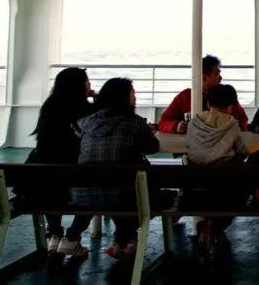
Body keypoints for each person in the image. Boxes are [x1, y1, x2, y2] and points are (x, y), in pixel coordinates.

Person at [75, 78, 163, 260]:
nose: (136, 96)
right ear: (124, 97)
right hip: (123, 196)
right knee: (145, 193)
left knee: (121, 185)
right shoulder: (133, 122)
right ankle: (127, 239)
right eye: (133, 92)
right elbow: (152, 147)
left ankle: (123, 240)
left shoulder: (86, 123)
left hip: (84, 195)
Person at [21, 67, 95, 257]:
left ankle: (54, 234)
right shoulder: (88, 109)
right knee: (95, 190)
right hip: (77, 177)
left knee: (49, 186)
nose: (90, 84)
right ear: (80, 85)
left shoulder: (49, 107)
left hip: (43, 182)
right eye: (87, 81)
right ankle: (72, 237)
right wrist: (98, 99)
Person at [186, 84, 249, 251]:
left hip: (194, 191)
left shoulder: (193, 123)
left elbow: (189, 148)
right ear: (231, 107)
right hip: (225, 192)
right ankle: (214, 228)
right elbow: (242, 152)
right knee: (239, 190)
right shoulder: (231, 124)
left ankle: (208, 226)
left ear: (208, 104)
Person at [157, 55, 248, 133]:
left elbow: (243, 120)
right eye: (216, 75)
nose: (220, 78)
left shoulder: (226, 94)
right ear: (204, 77)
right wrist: (176, 126)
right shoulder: (185, 97)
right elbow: (163, 122)